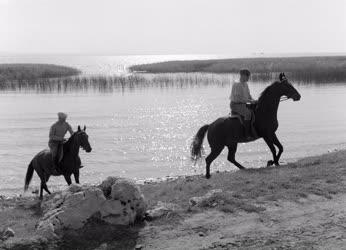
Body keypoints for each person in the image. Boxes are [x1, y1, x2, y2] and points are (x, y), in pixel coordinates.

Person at [230, 69, 257, 139]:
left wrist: (254, 100)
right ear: (242, 76)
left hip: (243, 104)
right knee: (248, 114)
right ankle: (247, 134)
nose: (248, 78)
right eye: (247, 76)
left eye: (249, 76)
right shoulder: (237, 84)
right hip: (235, 105)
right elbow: (239, 98)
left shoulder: (245, 84)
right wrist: (250, 101)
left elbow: (248, 95)